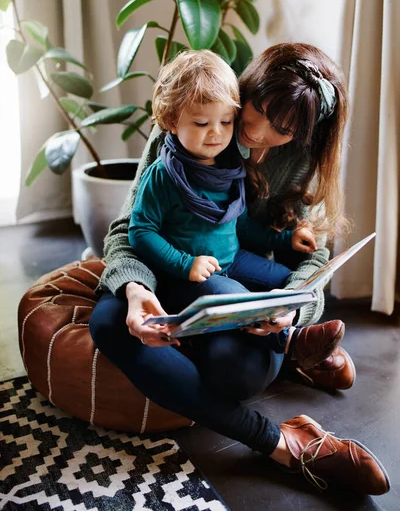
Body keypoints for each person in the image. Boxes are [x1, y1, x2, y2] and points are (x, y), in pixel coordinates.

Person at [89, 43, 390, 494]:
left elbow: (312, 257)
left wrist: (293, 310)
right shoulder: (194, 116)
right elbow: (126, 230)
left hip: (241, 287)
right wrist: (133, 289)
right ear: (246, 87)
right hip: (181, 277)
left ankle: (292, 346)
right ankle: (282, 443)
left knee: (238, 371)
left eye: (282, 129)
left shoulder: (306, 156)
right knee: (109, 322)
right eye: (257, 109)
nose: (255, 130)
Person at [128, 50, 317, 313]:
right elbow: (140, 231)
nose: (216, 132)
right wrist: (185, 264)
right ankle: (290, 341)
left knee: (287, 281)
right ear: (172, 121)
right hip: (187, 273)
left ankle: (291, 335)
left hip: (233, 260)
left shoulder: (231, 168)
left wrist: (286, 240)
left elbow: (241, 226)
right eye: (202, 122)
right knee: (238, 299)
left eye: (226, 122)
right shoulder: (163, 174)